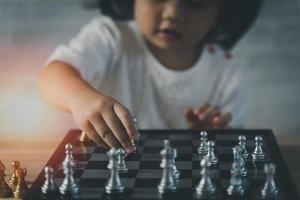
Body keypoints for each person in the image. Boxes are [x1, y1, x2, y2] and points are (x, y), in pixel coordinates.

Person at [38, 0, 262, 153]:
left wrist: (210, 136)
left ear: (221, 10)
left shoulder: (227, 68)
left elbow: (234, 141)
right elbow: (53, 74)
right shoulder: (111, 36)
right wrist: (80, 98)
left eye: (195, 2)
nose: (172, 13)